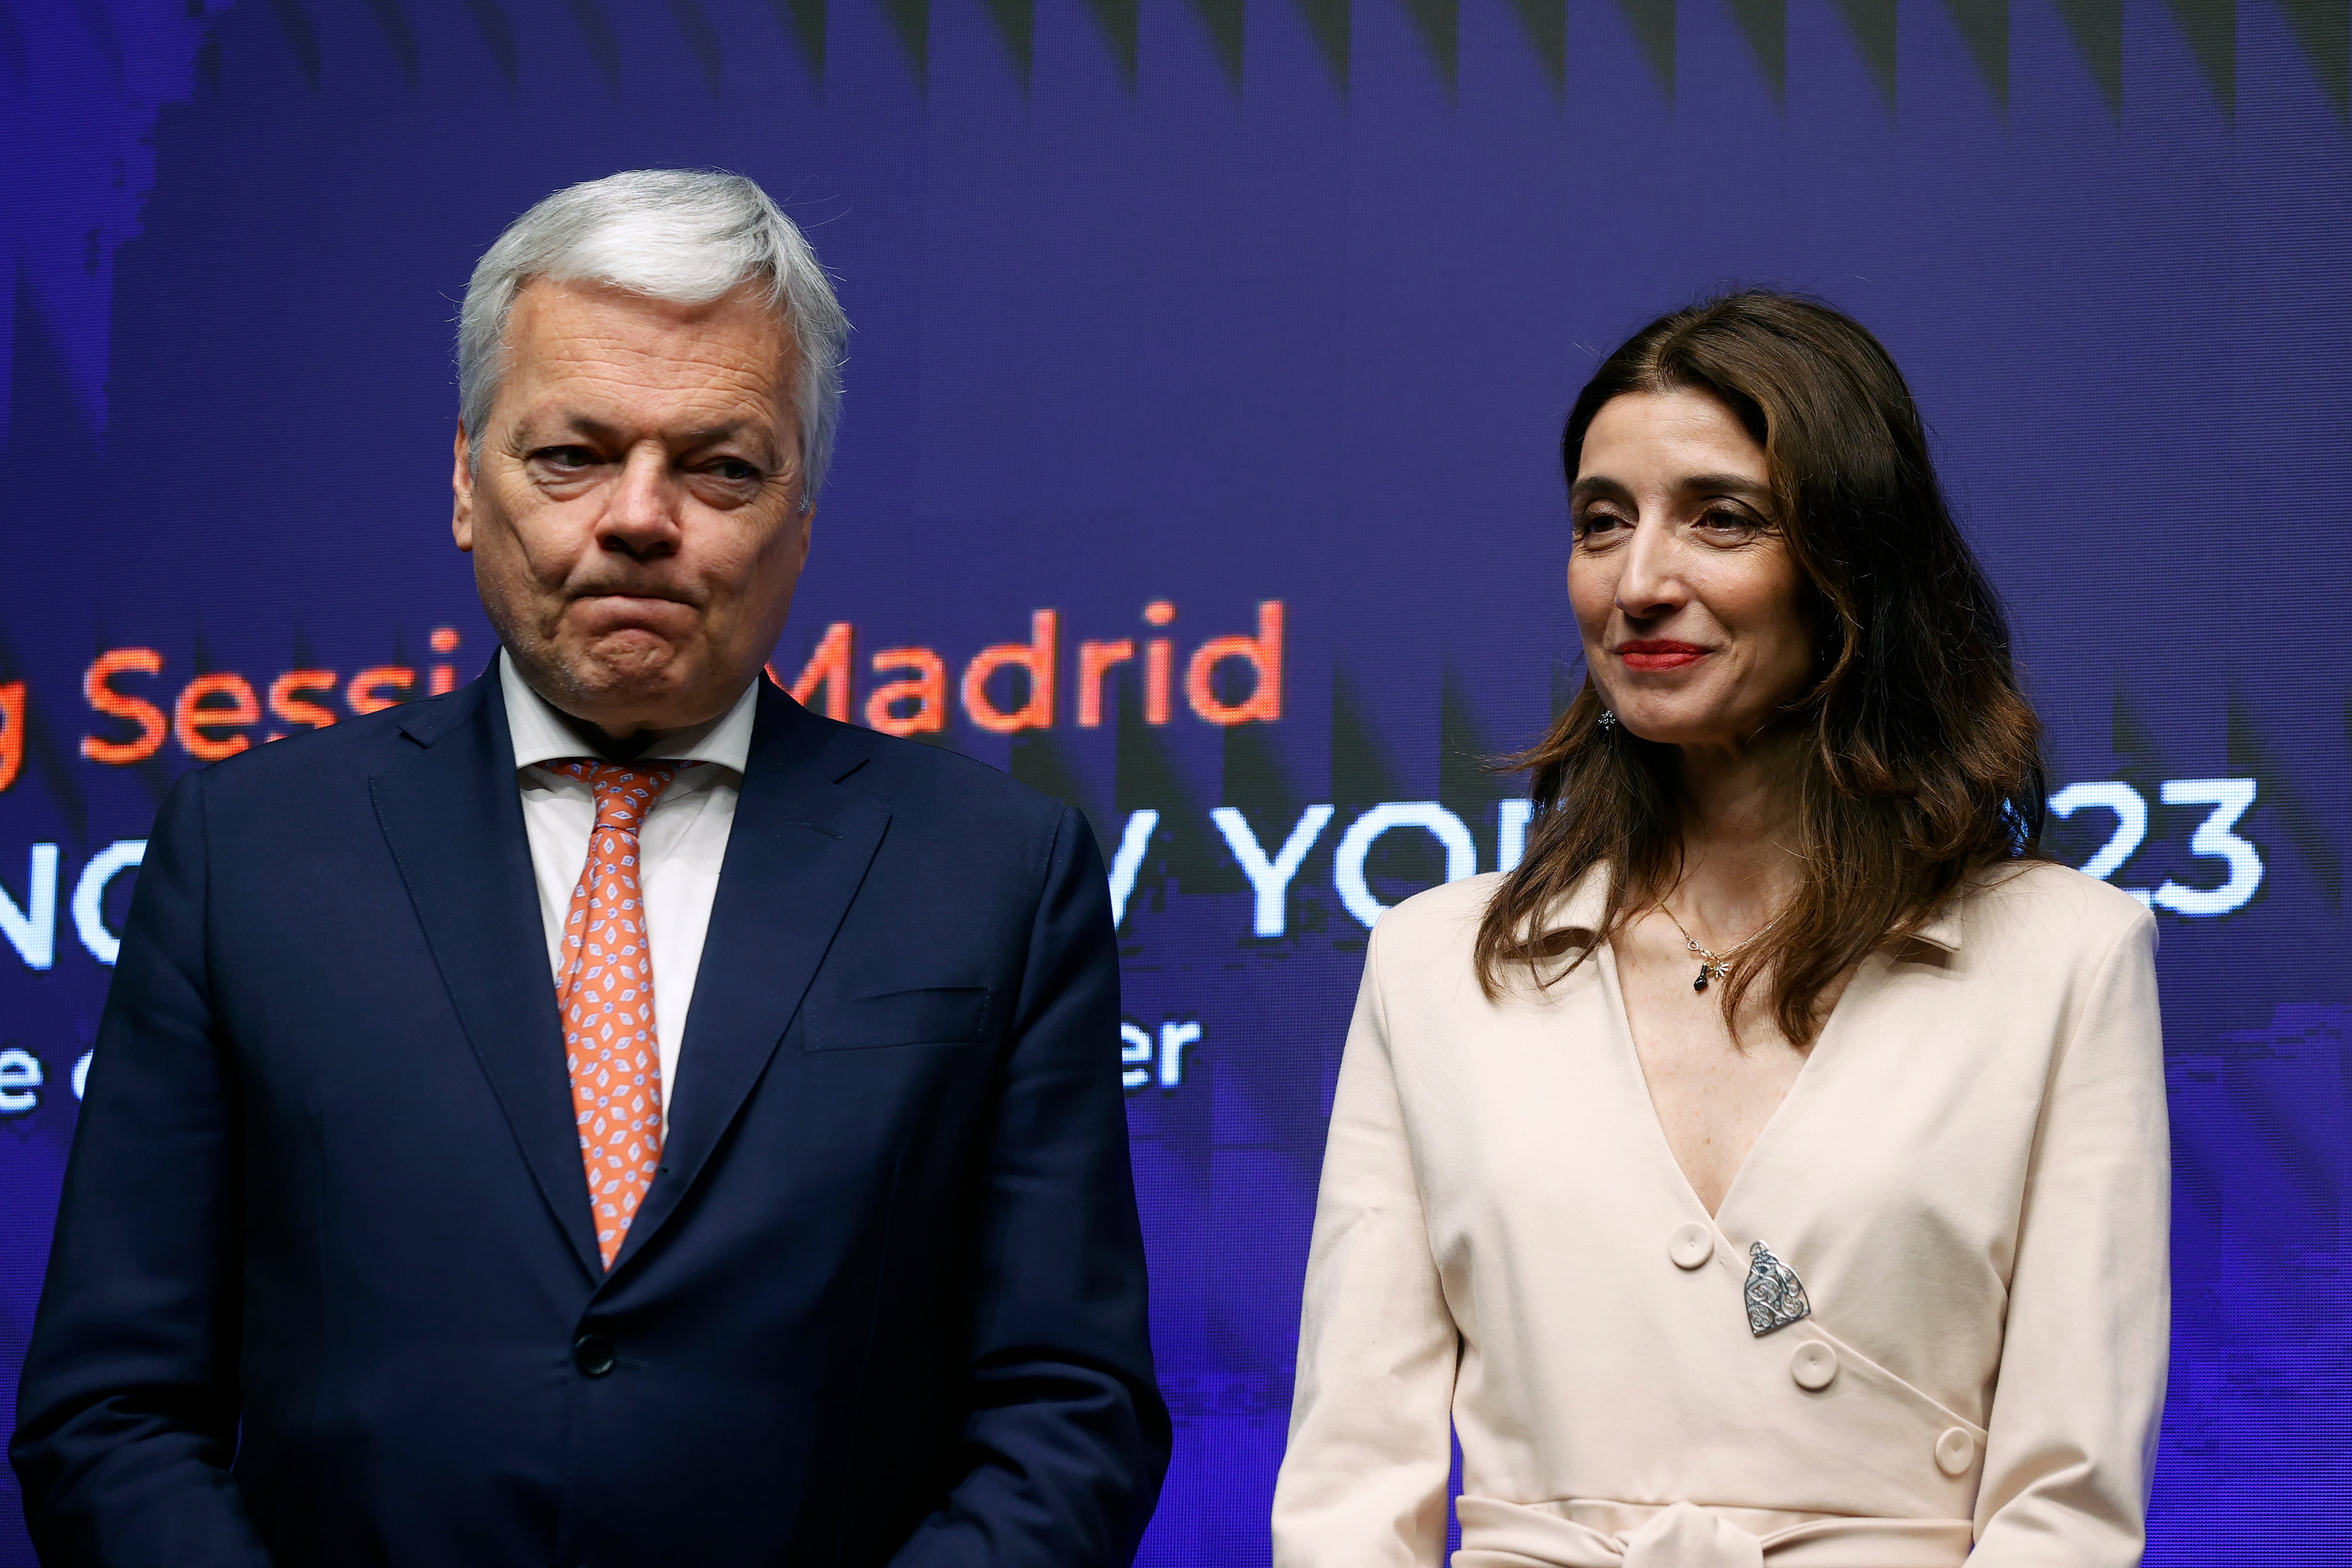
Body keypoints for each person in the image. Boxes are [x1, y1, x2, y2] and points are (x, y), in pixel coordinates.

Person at [13, 169, 1169, 1567]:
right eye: (571, 455)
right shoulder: (248, 853)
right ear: (462, 480)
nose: (638, 517)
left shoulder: (994, 870)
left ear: (802, 518)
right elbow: (113, 1411)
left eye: (721, 466)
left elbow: (1069, 1414)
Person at [1270, 292, 2168, 1567]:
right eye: (1600, 524)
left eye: (1723, 518)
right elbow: (1352, 1487)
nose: (1640, 583)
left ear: (1851, 562)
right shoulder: (1433, 964)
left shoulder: (2067, 959)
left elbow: (2067, 1504)